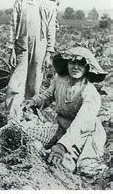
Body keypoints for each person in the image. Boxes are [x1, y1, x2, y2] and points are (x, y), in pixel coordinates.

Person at [21, 46, 108, 175]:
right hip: (61, 127)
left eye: (81, 64)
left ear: (87, 68)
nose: (76, 67)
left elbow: (79, 123)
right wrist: (34, 101)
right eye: (72, 62)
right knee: (25, 134)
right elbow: (48, 95)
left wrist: (62, 146)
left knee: (70, 166)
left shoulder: (90, 93)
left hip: (84, 134)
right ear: (67, 63)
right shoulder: (59, 79)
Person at [5, 0, 59, 121]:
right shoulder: (20, 3)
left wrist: (49, 51)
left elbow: (51, 29)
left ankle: (29, 112)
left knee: (35, 79)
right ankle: (13, 116)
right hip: (21, 44)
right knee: (17, 80)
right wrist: (11, 49)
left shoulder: (49, 5)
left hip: (41, 45)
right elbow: (12, 26)